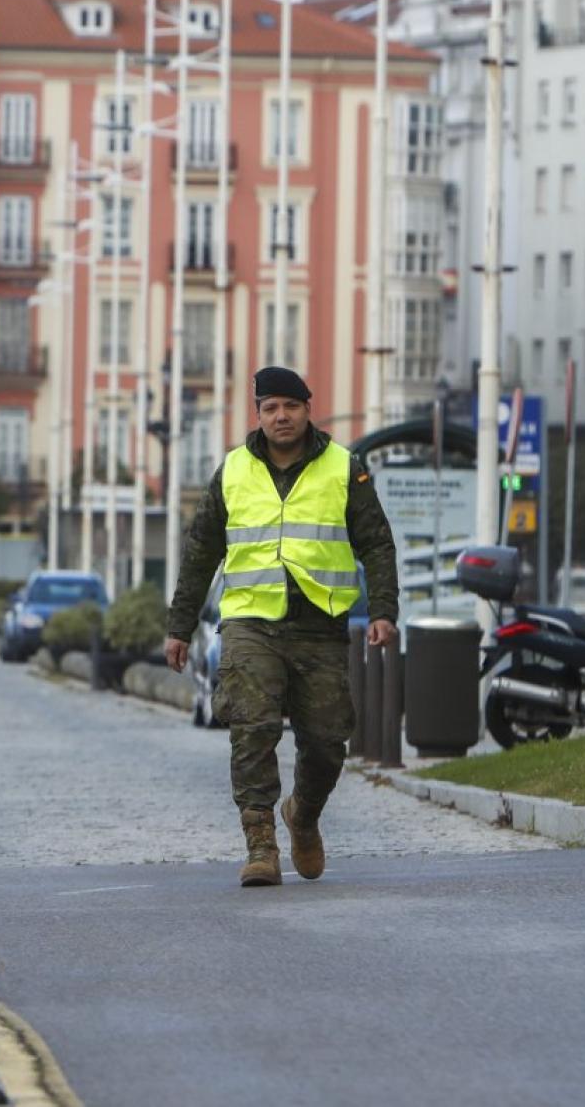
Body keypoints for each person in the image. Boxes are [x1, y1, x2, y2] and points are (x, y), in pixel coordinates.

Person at [164, 367, 398, 887]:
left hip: (321, 625)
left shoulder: (344, 467)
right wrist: (179, 627)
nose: (281, 416)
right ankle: (261, 847)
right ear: (259, 415)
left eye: (289, 406)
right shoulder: (233, 471)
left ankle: (304, 816)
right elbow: (201, 552)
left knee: (326, 741)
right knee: (253, 728)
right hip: (251, 623)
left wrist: (383, 610)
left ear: (307, 409)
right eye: (270, 408)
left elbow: (377, 543)